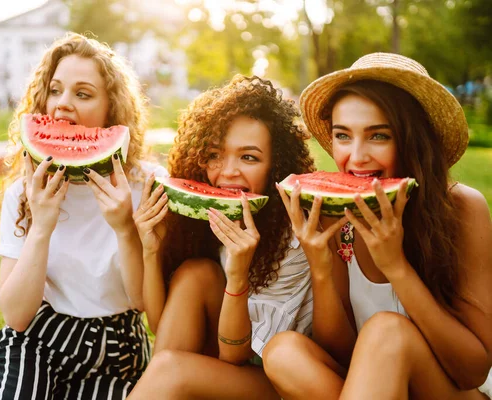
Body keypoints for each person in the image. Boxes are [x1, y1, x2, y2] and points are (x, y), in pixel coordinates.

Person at [264, 52, 492, 399]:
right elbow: (342, 353)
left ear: (412, 139)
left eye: (378, 136)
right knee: (283, 352)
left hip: (452, 392)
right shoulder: (334, 213)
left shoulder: (461, 208)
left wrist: (396, 267)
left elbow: (472, 370)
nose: (356, 157)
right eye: (343, 136)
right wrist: (321, 267)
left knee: (387, 331)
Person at [0, 32, 166, 400]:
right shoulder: (25, 189)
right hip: (38, 338)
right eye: (55, 90)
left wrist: (125, 229)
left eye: (82, 93)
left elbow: (142, 302)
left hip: (118, 347)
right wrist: (42, 225)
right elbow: (16, 316)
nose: (62, 104)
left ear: (112, 108)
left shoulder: (146, 186)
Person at [128, 75, 337, 399]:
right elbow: (161, 327)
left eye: (249, 157)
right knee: (195, 273)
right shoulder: (206, 222)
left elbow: (235, 355)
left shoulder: (293, 237)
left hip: (278, 379)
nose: (227, 172)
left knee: (170, 371)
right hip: (231, 372)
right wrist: (151, 250)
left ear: (275, 166)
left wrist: (238, 275)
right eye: (214, 155)